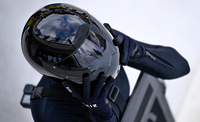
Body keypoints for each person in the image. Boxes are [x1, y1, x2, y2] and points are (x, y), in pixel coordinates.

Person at [21, 3, 190, 122]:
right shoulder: (49, 111)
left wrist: (139, 52)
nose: (96, 53)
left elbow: (181, 68)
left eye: (92, 41)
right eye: (82, 56)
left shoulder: (104, 42)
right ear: (66, 70)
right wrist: (103, 114)